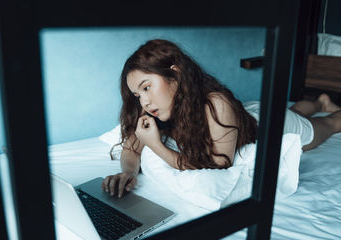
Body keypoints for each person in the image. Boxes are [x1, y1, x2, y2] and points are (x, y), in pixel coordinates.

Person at [101, 39, 341, 198]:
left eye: (146, 87)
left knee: (329, 125)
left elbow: (219, 163)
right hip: (243, 116)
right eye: (136, 95)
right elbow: (132, 149)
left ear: (175, 75)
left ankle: (325, 107)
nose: (143, 101)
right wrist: (129, 172)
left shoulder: (216, 103)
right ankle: (320, 102)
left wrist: (155, 145)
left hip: (269, 126)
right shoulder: (156, 109)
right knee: (298, 109)